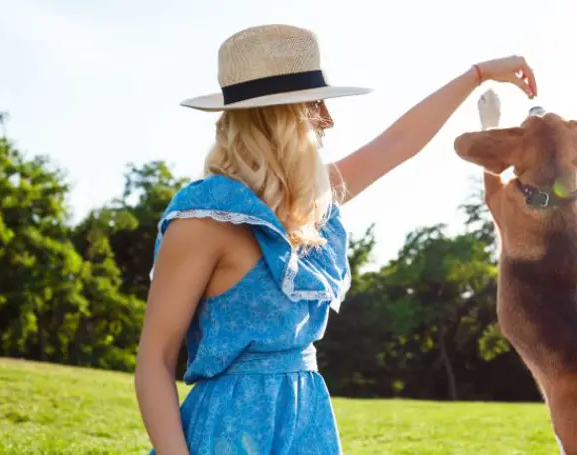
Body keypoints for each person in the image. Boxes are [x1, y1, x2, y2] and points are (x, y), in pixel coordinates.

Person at [134, 24, 537, 455]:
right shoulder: (203, 218)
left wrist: (477, 74)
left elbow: (398, 143)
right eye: (315, 105)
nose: (328, 120)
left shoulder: (307, 202)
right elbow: (155, 361)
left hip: (307, 424)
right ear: (279, 118)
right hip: (228, 434)